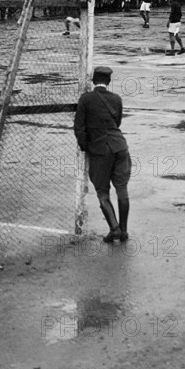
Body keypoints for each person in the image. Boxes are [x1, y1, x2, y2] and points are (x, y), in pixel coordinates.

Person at [74, 66, 131, 242]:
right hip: (120, 146)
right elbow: (118, 121)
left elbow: (79, 128)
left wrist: (85, 147)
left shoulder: (86, 99)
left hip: (100, 150)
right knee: (122, 188)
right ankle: (123, 230)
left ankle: (114, 228)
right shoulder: (116, 99)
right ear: (109, 81)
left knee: (102, 190)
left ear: (92, 80)